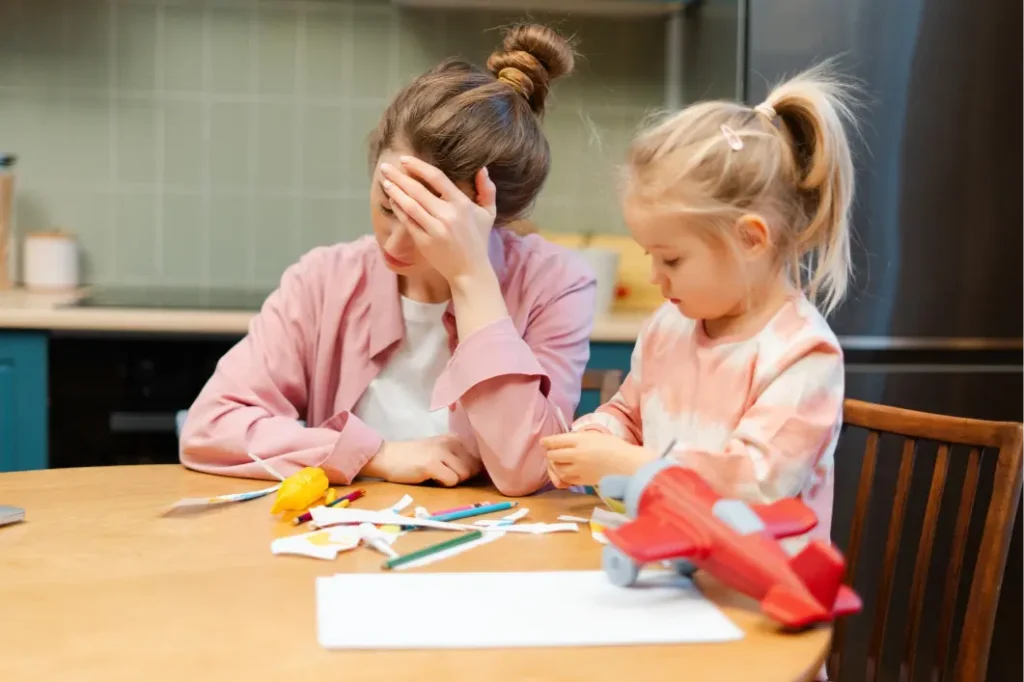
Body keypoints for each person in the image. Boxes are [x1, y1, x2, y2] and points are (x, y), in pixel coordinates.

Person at [179, 23, 596, 497]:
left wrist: (470, 276)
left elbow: (525, 470)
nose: (395, 242)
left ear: (491, 215)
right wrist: (376, 454)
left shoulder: (556, 284)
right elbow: (210, 427)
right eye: (387, 206)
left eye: (427, 222)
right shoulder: (324, 280)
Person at [542, 62, 859, 546]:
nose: (655, 276)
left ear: (750, 239)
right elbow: (629, 414)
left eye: (671, 259)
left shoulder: (802, 355)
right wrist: (597, 436)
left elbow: (755, 485)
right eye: (650, 256)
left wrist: (629, 464)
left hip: (758, 581)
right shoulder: (669, 325)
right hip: (668, 555)